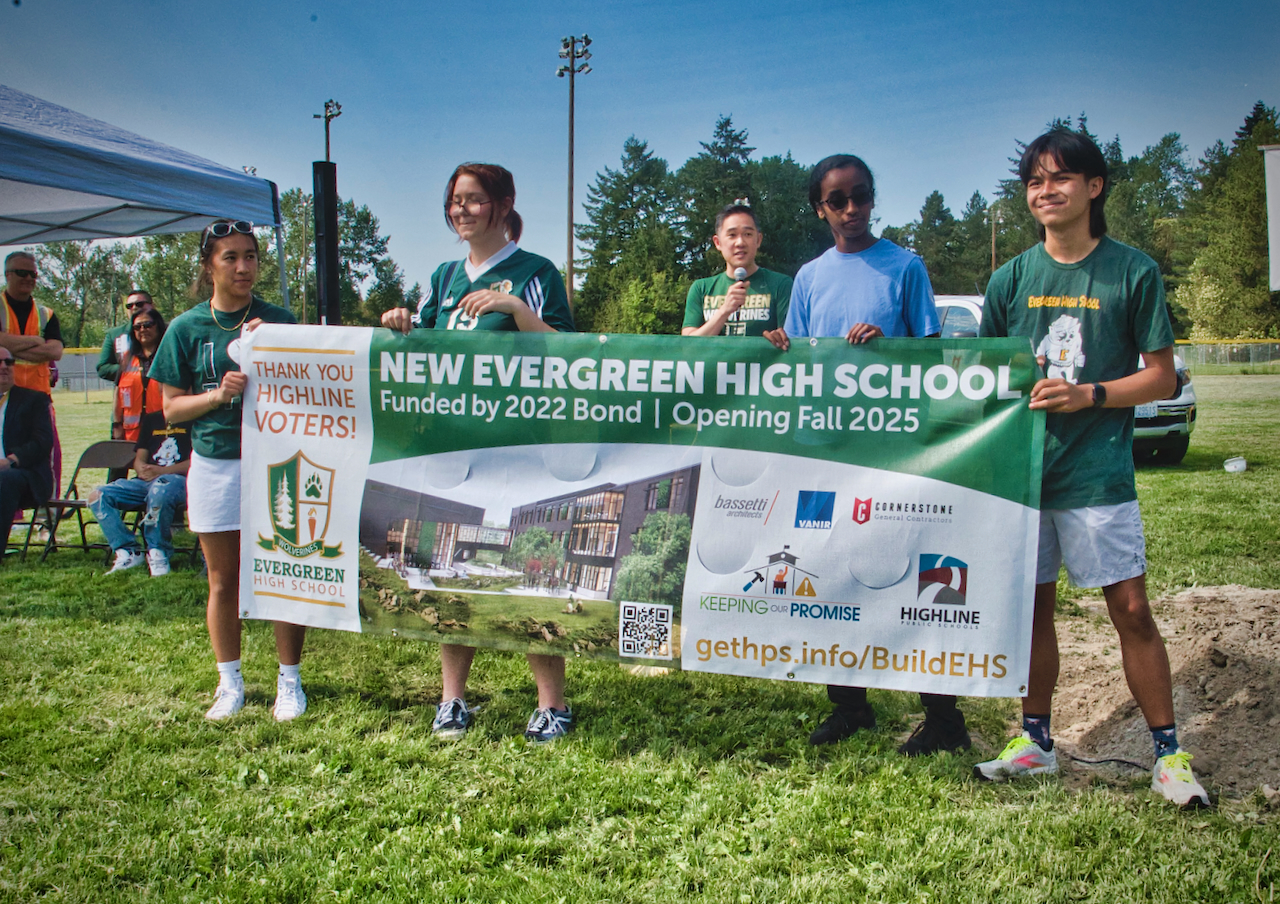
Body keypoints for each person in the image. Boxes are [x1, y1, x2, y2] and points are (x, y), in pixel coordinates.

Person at [974, 129, 1209, 808]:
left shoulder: (1132, 270)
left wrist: (1090, 395)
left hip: (1099, 474)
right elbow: (988, 378)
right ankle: (1036, 742)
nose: (1045, 192)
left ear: (1093, 187)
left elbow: (1162, 379)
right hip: (1024, 476)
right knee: (1033, 610)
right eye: (1034, 182)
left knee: (1131, 609)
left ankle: (1169, 755)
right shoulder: (1009, 278)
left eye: (1060, 179)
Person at [768, 154, 971, 757]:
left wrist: (891, 349)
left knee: (912, 574)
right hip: (828, 447)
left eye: (862, 196)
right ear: (820, 207)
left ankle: (942, 716)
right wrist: (780, 346)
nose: (852, 210)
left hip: (895, 450)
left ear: (873, 198)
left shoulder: (905, 267)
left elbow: (934, 362)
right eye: (838, 200)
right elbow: (802, 358)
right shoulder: (808, 277)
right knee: (832, 569)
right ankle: (850, 706)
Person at [382, 163, 576, 743]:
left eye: (473, 200)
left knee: (526, 570)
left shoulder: (535, 272)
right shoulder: (442, 277)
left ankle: (551, 706)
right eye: (454, 201)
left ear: (503, 203)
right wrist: (400, 324)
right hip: (452, 445)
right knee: (451, 570)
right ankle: (453, 701)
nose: (461, 210)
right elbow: (424, 345)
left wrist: (518, 313)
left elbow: (571, 352)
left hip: (519, 445)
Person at [149, 220, 308, 722]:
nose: (243, 267)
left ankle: (290, 682)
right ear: (208, 266)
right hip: (216, 464)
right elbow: (171, 409)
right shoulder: (185, 328)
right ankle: (230, 683)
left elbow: (315, 386)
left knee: (286, 573)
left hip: (278, 462)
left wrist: (278, 344)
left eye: (251, 256)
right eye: (230, 257)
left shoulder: (279, 319)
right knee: (224, 580)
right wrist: (218, 395)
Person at [89, 408, 191, 577]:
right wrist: (142, 470)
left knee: (160, 488)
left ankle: (158, 551)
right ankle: (127, 551)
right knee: (98, 496)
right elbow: (139, 458)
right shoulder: (152, 419)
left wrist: (162, 471)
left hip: (177, 480)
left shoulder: (194, 416)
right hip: (146, 480)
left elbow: (197, 461)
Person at [1, 252, 63, 494]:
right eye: (21, 273)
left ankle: (44, 515)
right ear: (7, 275)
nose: (28, 278)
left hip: (38, 397)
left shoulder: (46, 313)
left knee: (46, 453)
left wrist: (9, 347)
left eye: (33, 274)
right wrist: (36, 341)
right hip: (3, 397)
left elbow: (55, 351)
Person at [682, 203, 792, 338]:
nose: (740, 242)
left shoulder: (781, 284)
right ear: (718, 243)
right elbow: (687, 347)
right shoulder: (701, 288)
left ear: (759, 240)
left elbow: (792, 341)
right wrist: (724, 310)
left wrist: (777, 339)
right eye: (732, 235)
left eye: (747, 234)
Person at [0, 347, 54, 541]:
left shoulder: (33, 400)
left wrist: (10, 461)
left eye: (9, 362)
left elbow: (42, 442)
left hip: (27, 476)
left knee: (3, 479)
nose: (4, 367)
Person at [113, 308, 167, 444]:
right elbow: (118, 393)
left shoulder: (169, 356)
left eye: (148, 325)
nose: (142, 329)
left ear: (158, 326)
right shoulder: (127, 359)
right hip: (132, 433)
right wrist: (116, 424)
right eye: (137, 327)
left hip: (163, 429)